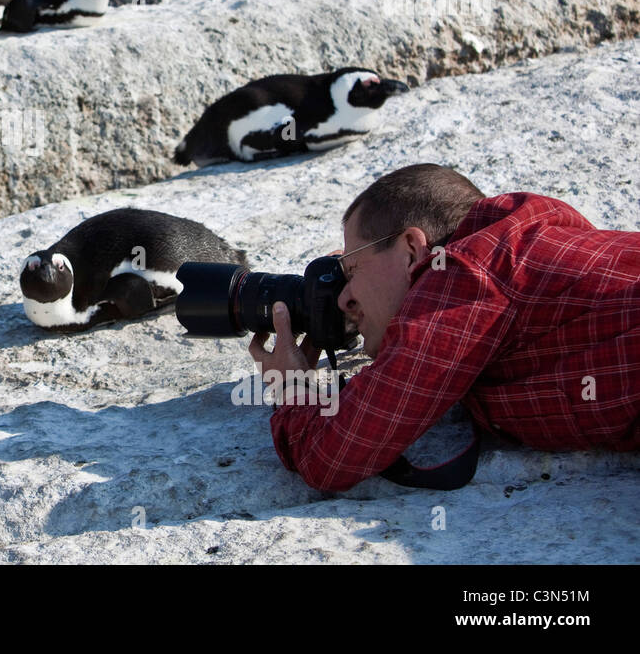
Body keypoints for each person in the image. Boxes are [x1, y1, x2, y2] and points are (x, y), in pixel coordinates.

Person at [249, 163, 640, 492]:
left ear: (412, 249)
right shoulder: (517, 244)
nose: (343, 298)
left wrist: (293, 387)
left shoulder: (463, 277)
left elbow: (330, 458)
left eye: (352, 269)